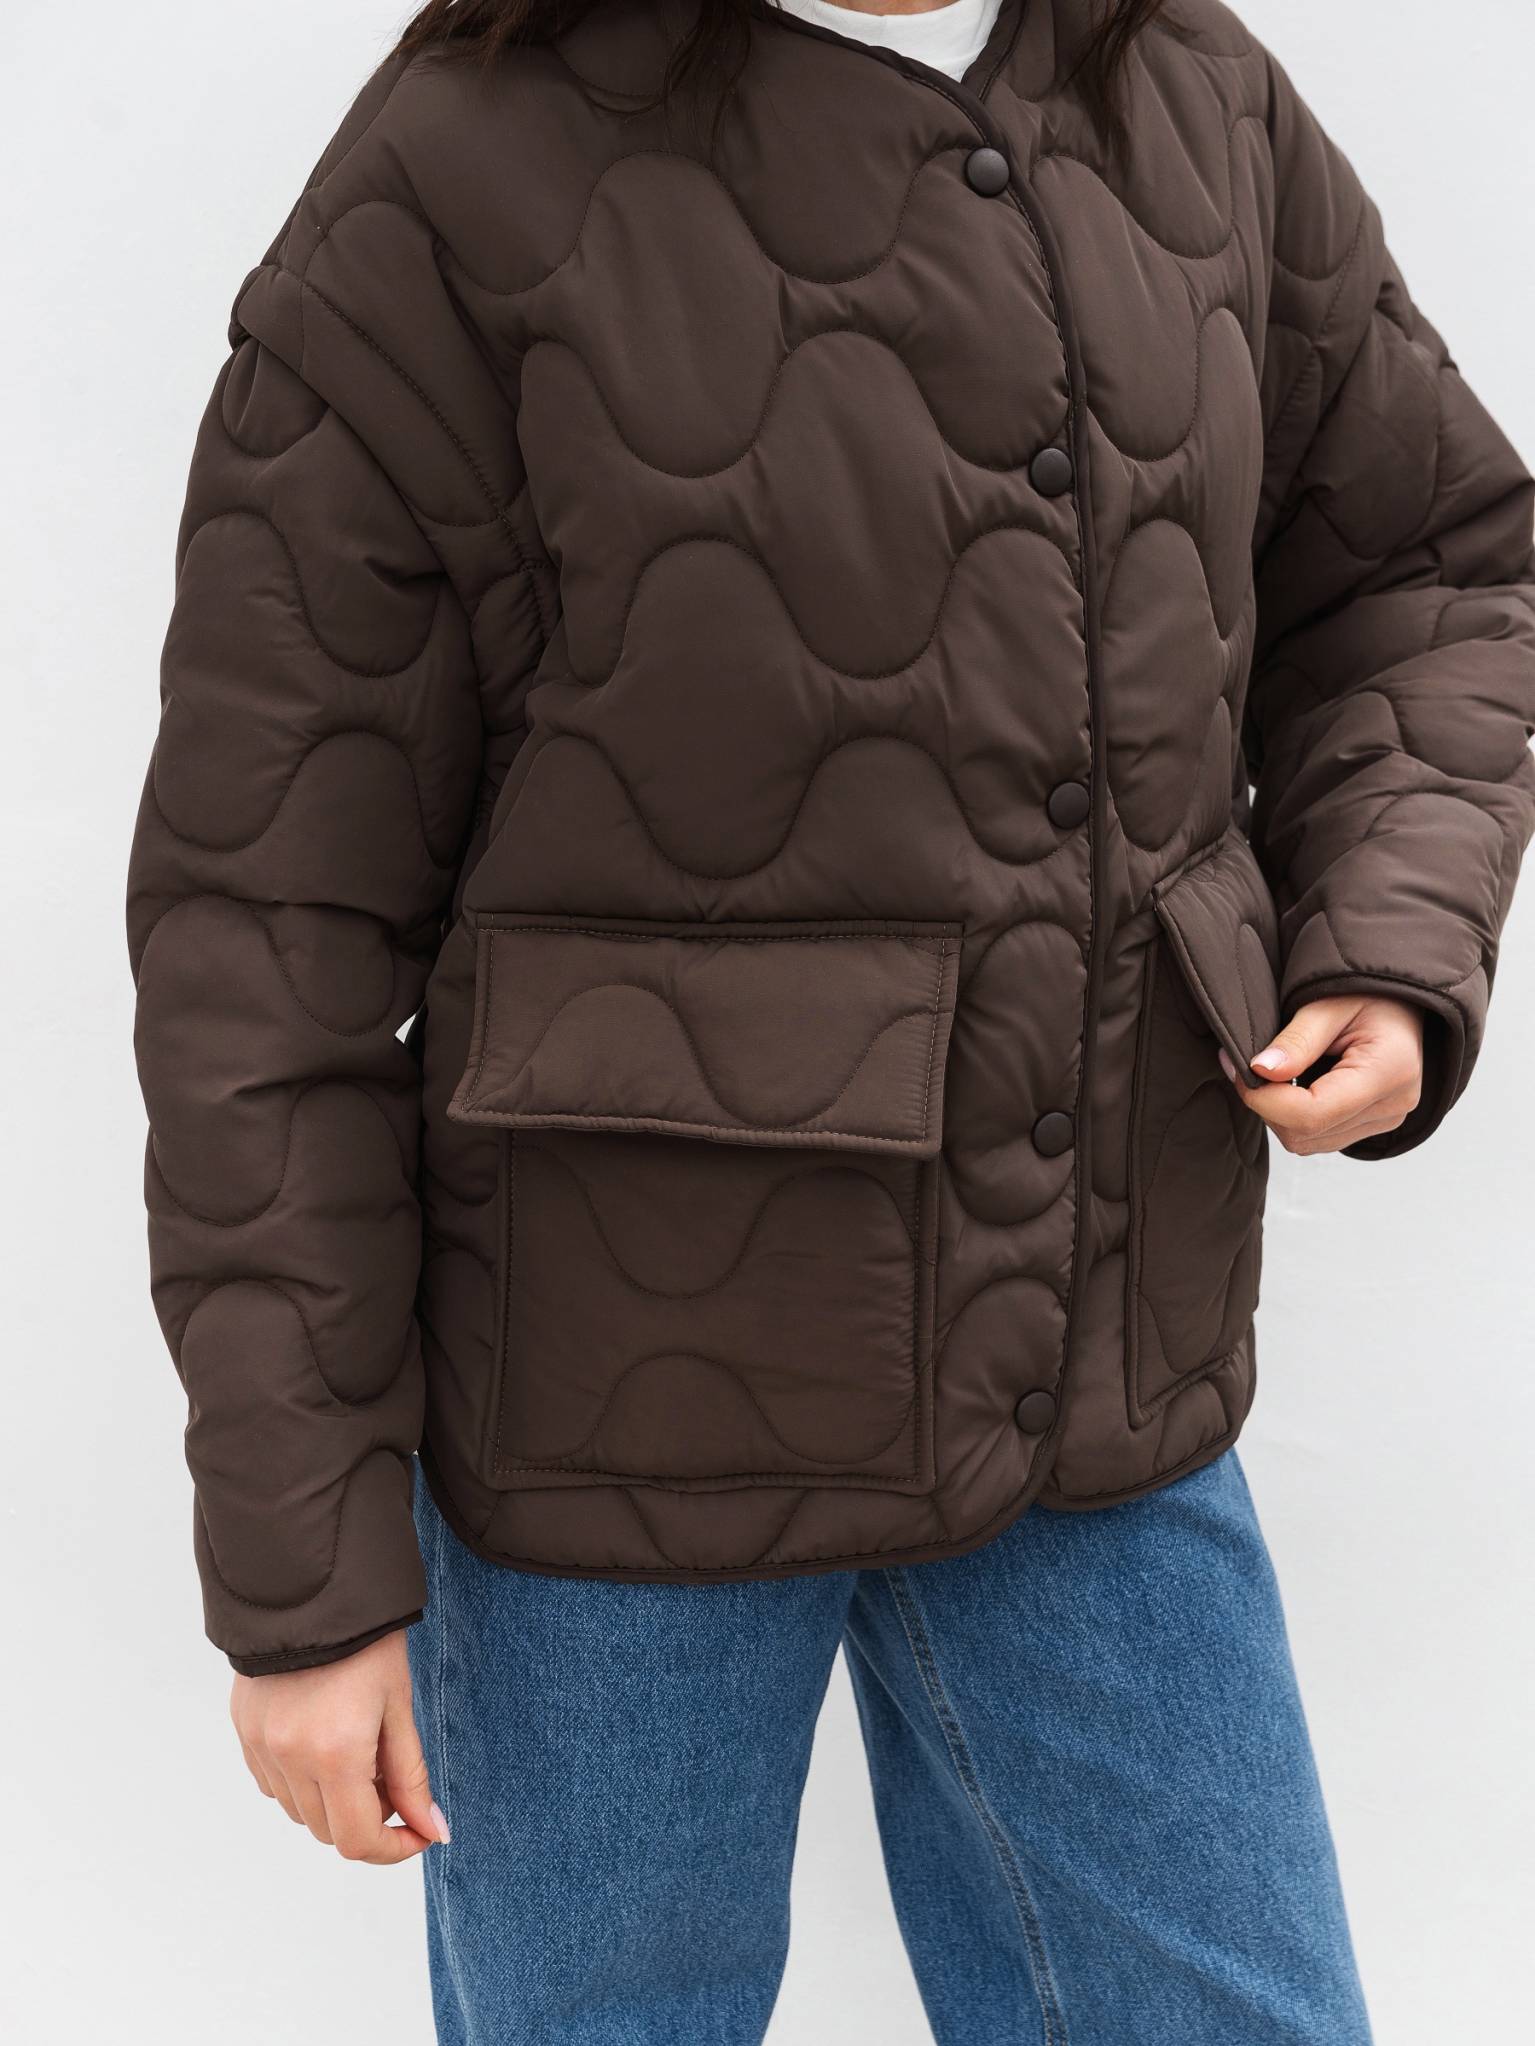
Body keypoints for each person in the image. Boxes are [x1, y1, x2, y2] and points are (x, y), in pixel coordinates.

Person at [126, 0, 1534, 2039]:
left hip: (1097, 1371)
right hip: (617, 1432)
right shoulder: (455, 166)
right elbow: (268, 926)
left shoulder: (1185, 89)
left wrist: (1386, 933)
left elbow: (1430, 562)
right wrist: (304, 1581)